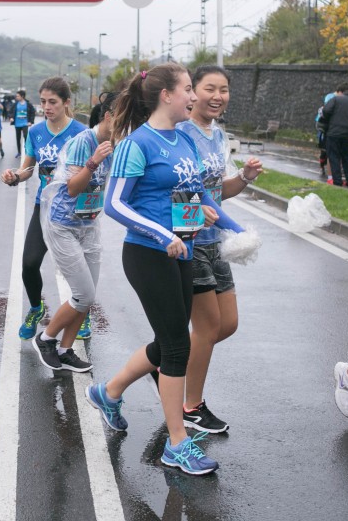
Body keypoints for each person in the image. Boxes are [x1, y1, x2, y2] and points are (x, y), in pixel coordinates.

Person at [85, 63, 244, 476]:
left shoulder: (183, 141)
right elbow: (115, 204)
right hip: (148, 255)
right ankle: (177, 444)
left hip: (183, 252)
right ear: (166, 95)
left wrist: (231, 227)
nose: (193, 96)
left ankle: (110, 391)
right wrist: (162, 233)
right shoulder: (136, 144)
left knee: (170, 341)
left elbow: (195, 197)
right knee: (177, 347)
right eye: (189, 89)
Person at [176, 66, 263, 434]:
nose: (217, 96)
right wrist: (205, 216)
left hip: (216, 244)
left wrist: (243, 177)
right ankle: (190, 406)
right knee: (208, 327)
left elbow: (217, 192)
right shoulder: (180, 134)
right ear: (192, 92)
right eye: (209, 88)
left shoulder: (219, 134)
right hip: (190, 241)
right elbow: (178, 192)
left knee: (227, 324)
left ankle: (164, 361)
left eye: (224, 90)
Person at [31, 91, 119, 372]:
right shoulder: (84, 142)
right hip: (63, 225)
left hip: (88, 225)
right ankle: (46, 339)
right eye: (125, 120)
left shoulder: (116, 144)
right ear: (109, 116)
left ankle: (66, 350)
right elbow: (72, 188)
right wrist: (93, 162)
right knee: (83, 294)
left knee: (87, 295)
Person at [0, 78, 87, 339]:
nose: (47, 107)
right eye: (43, 102)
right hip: (45, 207)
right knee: (29, 263)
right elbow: (27, 169)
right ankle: (37, 308)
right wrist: (14, 176)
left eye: (53, 102)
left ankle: (82, 312)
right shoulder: (36, 132)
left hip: (75, 210)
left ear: (66, 103)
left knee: (78, 267)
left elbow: (96, 171)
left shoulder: (82, 133)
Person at [322, 83, 348, 188]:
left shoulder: (336, 99)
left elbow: (326, 110)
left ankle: (337, 181)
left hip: (334, 133)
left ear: (342, 92)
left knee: (334, 157)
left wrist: (329, 120)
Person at [11, 89, 31, 158]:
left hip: (25, 123)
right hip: (17, 124)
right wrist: (11, 117)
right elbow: (10, 111)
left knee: (26, 137)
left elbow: (32, 112)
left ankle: (27, 152)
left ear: (22, 96)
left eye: (18, 96)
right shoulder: (15, 104)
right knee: (18, 138)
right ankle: (19, 152)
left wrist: (30, 121)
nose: (16, 97)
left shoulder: (27, 104)